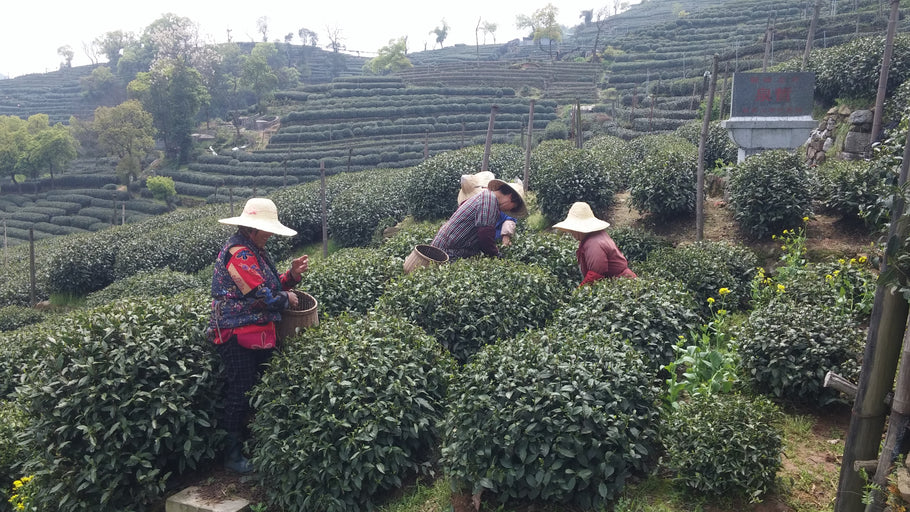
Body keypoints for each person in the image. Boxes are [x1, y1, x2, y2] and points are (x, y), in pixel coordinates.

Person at [207, 197, 309, 474]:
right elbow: (262, 296)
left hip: (258, 331)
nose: (271, 235)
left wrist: (292, 276)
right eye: (267, 230)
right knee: (240, 391)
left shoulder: (257, 251)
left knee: (258, 389)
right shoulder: (238, 253)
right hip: (236, 332)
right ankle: (232, 454)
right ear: (253, 229)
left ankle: (252, 445)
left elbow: (270, 286)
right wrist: (287, 299)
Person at [433, 177, 527, 261]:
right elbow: (485, 234)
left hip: (446, 249)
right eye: (513, 207)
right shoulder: (490, 199)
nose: (510, 210)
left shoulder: (486, 196)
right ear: (510, 197)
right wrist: (496, 256)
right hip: (447, 253)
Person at [552, 201, 637, 286]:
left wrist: (579, 293)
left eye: (572, 230)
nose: (571, 232)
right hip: (620, 282)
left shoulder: (594, 243)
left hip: (623, 284)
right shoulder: (594, 236)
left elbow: (596, 275)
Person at [455, 171, 519, 248]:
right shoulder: (477, 204)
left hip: (494, 238)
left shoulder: (497, 201)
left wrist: (506, 235)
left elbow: (510, 217)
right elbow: (484, 233)